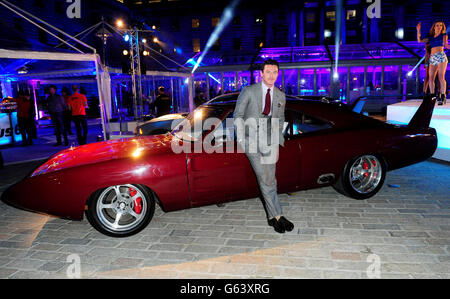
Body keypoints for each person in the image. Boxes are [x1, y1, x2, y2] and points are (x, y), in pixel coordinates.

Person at [233, 59, 293, 234]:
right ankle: (278, 215)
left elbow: (280, 119)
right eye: (268, 72)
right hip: (252, 141)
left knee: (271, 180)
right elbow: (238, 115)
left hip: (269, 141)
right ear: (261, 73)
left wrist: (276, 138)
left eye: (275, 72)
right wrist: (243, 140)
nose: (271, 75)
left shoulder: (281, 95)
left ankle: (273, 217)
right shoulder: (249, 91)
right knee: (265, 179)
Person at [417, 21, 449, 105]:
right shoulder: (430, 37)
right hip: (432, 58)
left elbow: (446, 45)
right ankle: (433, 96)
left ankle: (443, 96)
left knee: (441, 77)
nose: (439, 27)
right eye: (437, 25)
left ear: (442, 28)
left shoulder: (444, 35)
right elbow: (419, 41)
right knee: (430, 78)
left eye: (441, 26)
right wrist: (418, 30)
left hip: (441, 56)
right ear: (434, 27)